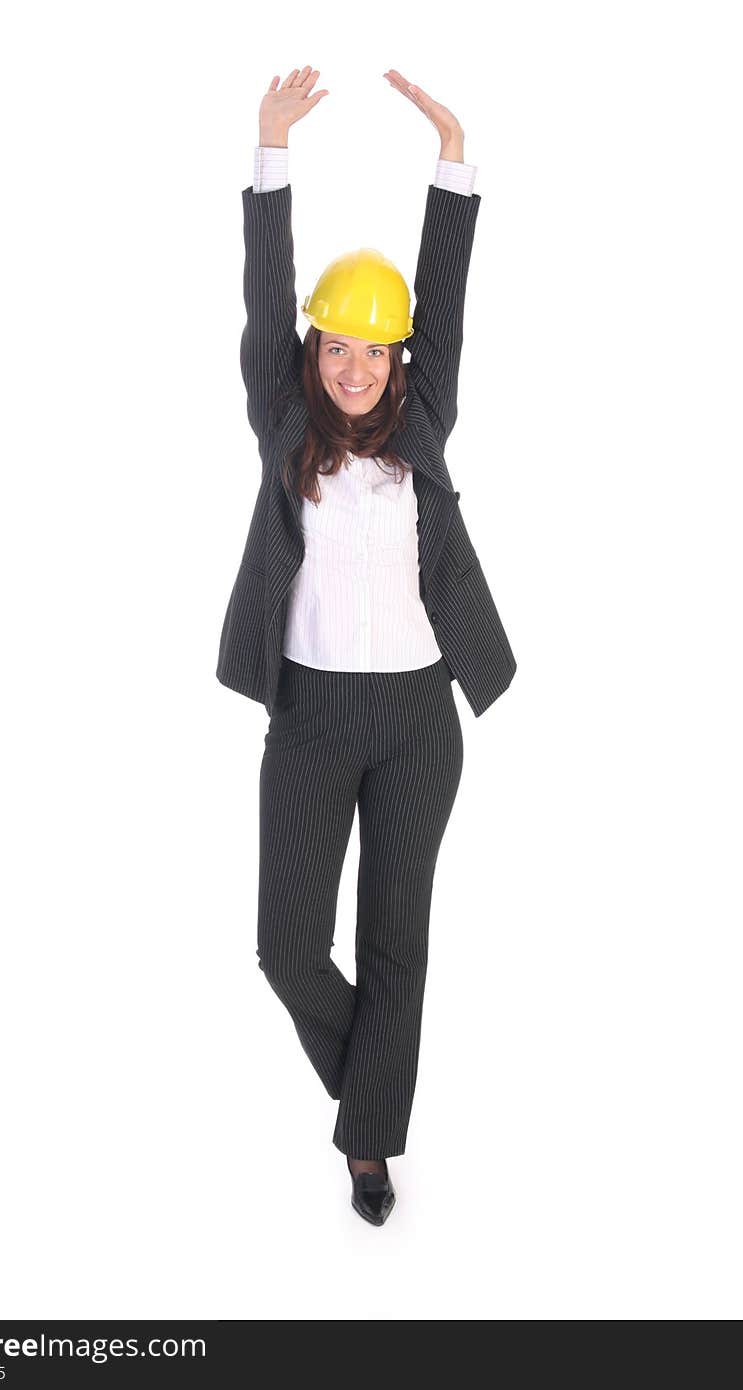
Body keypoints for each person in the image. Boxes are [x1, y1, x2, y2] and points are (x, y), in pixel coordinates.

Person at [221, 66, 516, 1226]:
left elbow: (443, 295)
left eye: (376, 352)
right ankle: (372, 1096)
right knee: (287, 950)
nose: (357, 368)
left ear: (398, 361)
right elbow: (264, 294)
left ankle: (368, 1151)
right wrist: (268, 150)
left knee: (399, 941)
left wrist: (451, 154)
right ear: (313, 353)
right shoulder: (283, 424)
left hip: (415, 722)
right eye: (337, 348)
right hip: (308, 715)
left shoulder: (425, 427)